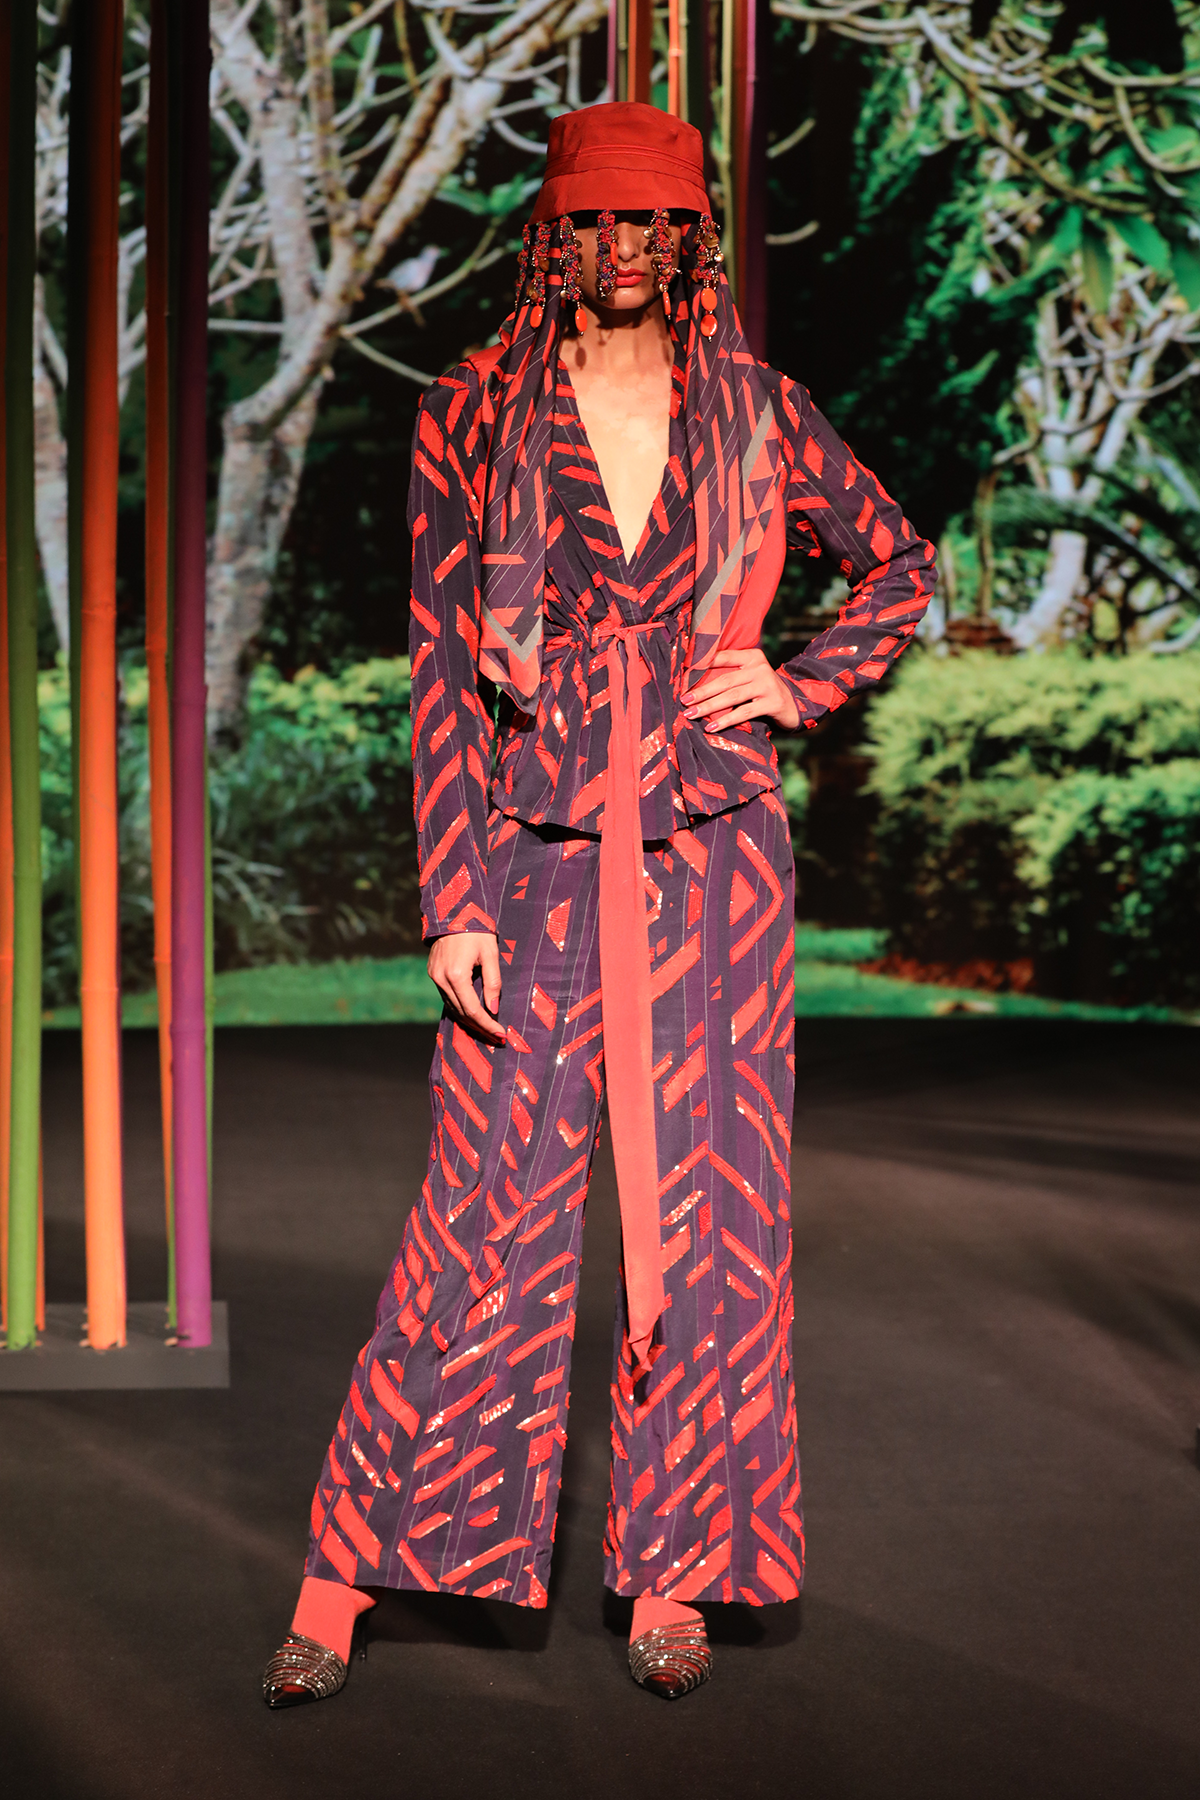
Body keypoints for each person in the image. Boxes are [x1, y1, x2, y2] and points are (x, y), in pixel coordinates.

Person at [263, 101, 935, 1707]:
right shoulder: (471, 412)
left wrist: (798, 681)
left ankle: (674, 1570)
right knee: (479, 1216)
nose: (621, 248)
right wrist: (452, 898)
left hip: (716, 866)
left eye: (650, 222)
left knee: (712, 1225)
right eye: (592, 221)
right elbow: (441, 669)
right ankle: (347, 1571)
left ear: (688, 239)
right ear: (549, 238)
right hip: (537, 858)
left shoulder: (756, 408)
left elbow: (900, 563)